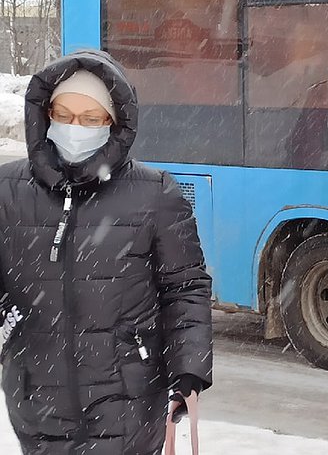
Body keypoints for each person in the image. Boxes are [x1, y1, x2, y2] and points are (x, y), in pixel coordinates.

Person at [0, 49, 213, 454]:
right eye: (62, 115)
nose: (73, 127)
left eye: (90, 118)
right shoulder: (7, 191)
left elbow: (185, 288)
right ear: (45, 116)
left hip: (129, 398)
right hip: (37, 399)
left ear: (114, 124)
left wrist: (189, 368)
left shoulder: (154, 193)